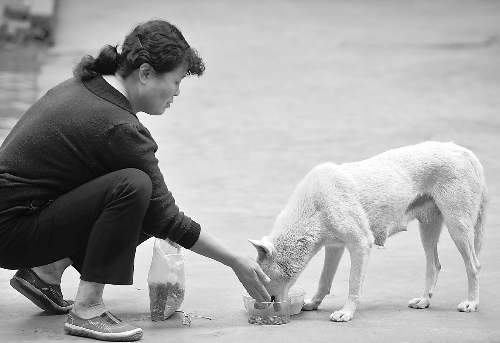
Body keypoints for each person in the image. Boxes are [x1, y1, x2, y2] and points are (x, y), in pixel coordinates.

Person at [0, 19, 271, 341]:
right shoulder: (117, 125)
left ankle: (45, 274)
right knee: (134, 186)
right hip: (12, 232)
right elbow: (166, 217)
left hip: (17, 219)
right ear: (145, 73)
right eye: (176, 81)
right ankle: (87, 309)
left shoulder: (89, 87)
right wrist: (234, 261)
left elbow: (158, 213)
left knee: (143, 195)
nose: (177, 93)